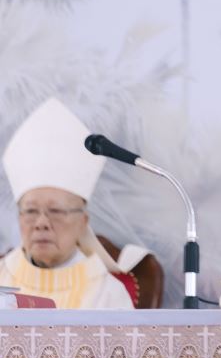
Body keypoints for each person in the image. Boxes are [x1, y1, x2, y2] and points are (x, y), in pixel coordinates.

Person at [0, 98, 136, 308]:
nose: (41, 223)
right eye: (31, 211)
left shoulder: (107, 294)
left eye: (55, 210)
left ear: (83, 221)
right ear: (19, 218)